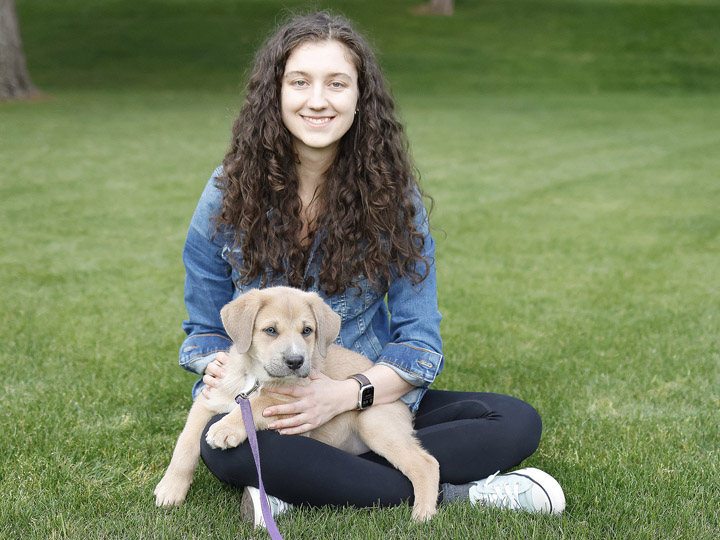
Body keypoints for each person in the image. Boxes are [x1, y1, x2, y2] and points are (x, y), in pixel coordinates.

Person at [178, 11, 565, 528]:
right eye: (300, 82)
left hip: (363, 397)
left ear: (360, 97)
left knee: (515, 421)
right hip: (261, 406)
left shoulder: (391, 197)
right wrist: (216, 365)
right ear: (276, 94)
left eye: (337, 83)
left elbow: (420, 342)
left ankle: (308, 483)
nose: (318, 100)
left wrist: (341, 394)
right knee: (226, 447)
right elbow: (204, 331)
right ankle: (462, 495)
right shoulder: (228, 192)